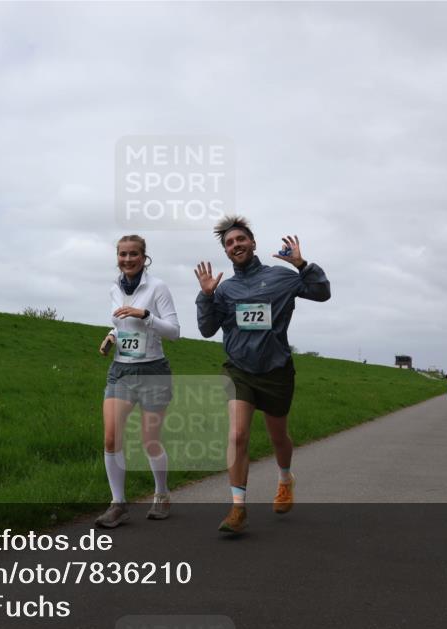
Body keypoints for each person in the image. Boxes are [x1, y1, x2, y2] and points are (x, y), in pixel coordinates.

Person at [194, 216, 330, 533]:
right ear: (226, 252)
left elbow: (322, 293)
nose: (235, 245)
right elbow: (206, 329)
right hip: (239, 369)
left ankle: (285, 479)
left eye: (240, 239)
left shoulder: (281, 277)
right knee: (238, 435)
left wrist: (302, 265)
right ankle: (238, 508)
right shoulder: (225, 290)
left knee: (277, 436)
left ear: (252, 243)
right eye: (229, 243)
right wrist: (207, 296)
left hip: (276, 370)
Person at [96, 235, 180, 528]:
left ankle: (162, 494)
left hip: (153, 371)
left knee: (150, 441)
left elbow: (174, 331)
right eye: (123, 254)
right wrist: (111, 336)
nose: (128, 259)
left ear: (144, 257)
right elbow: (121, 324)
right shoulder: (114, 289)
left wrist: (145, 315)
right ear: (117, 256)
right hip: (121, 370)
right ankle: (118, 504)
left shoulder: (157, 288)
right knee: (111, 437)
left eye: (134, 254)